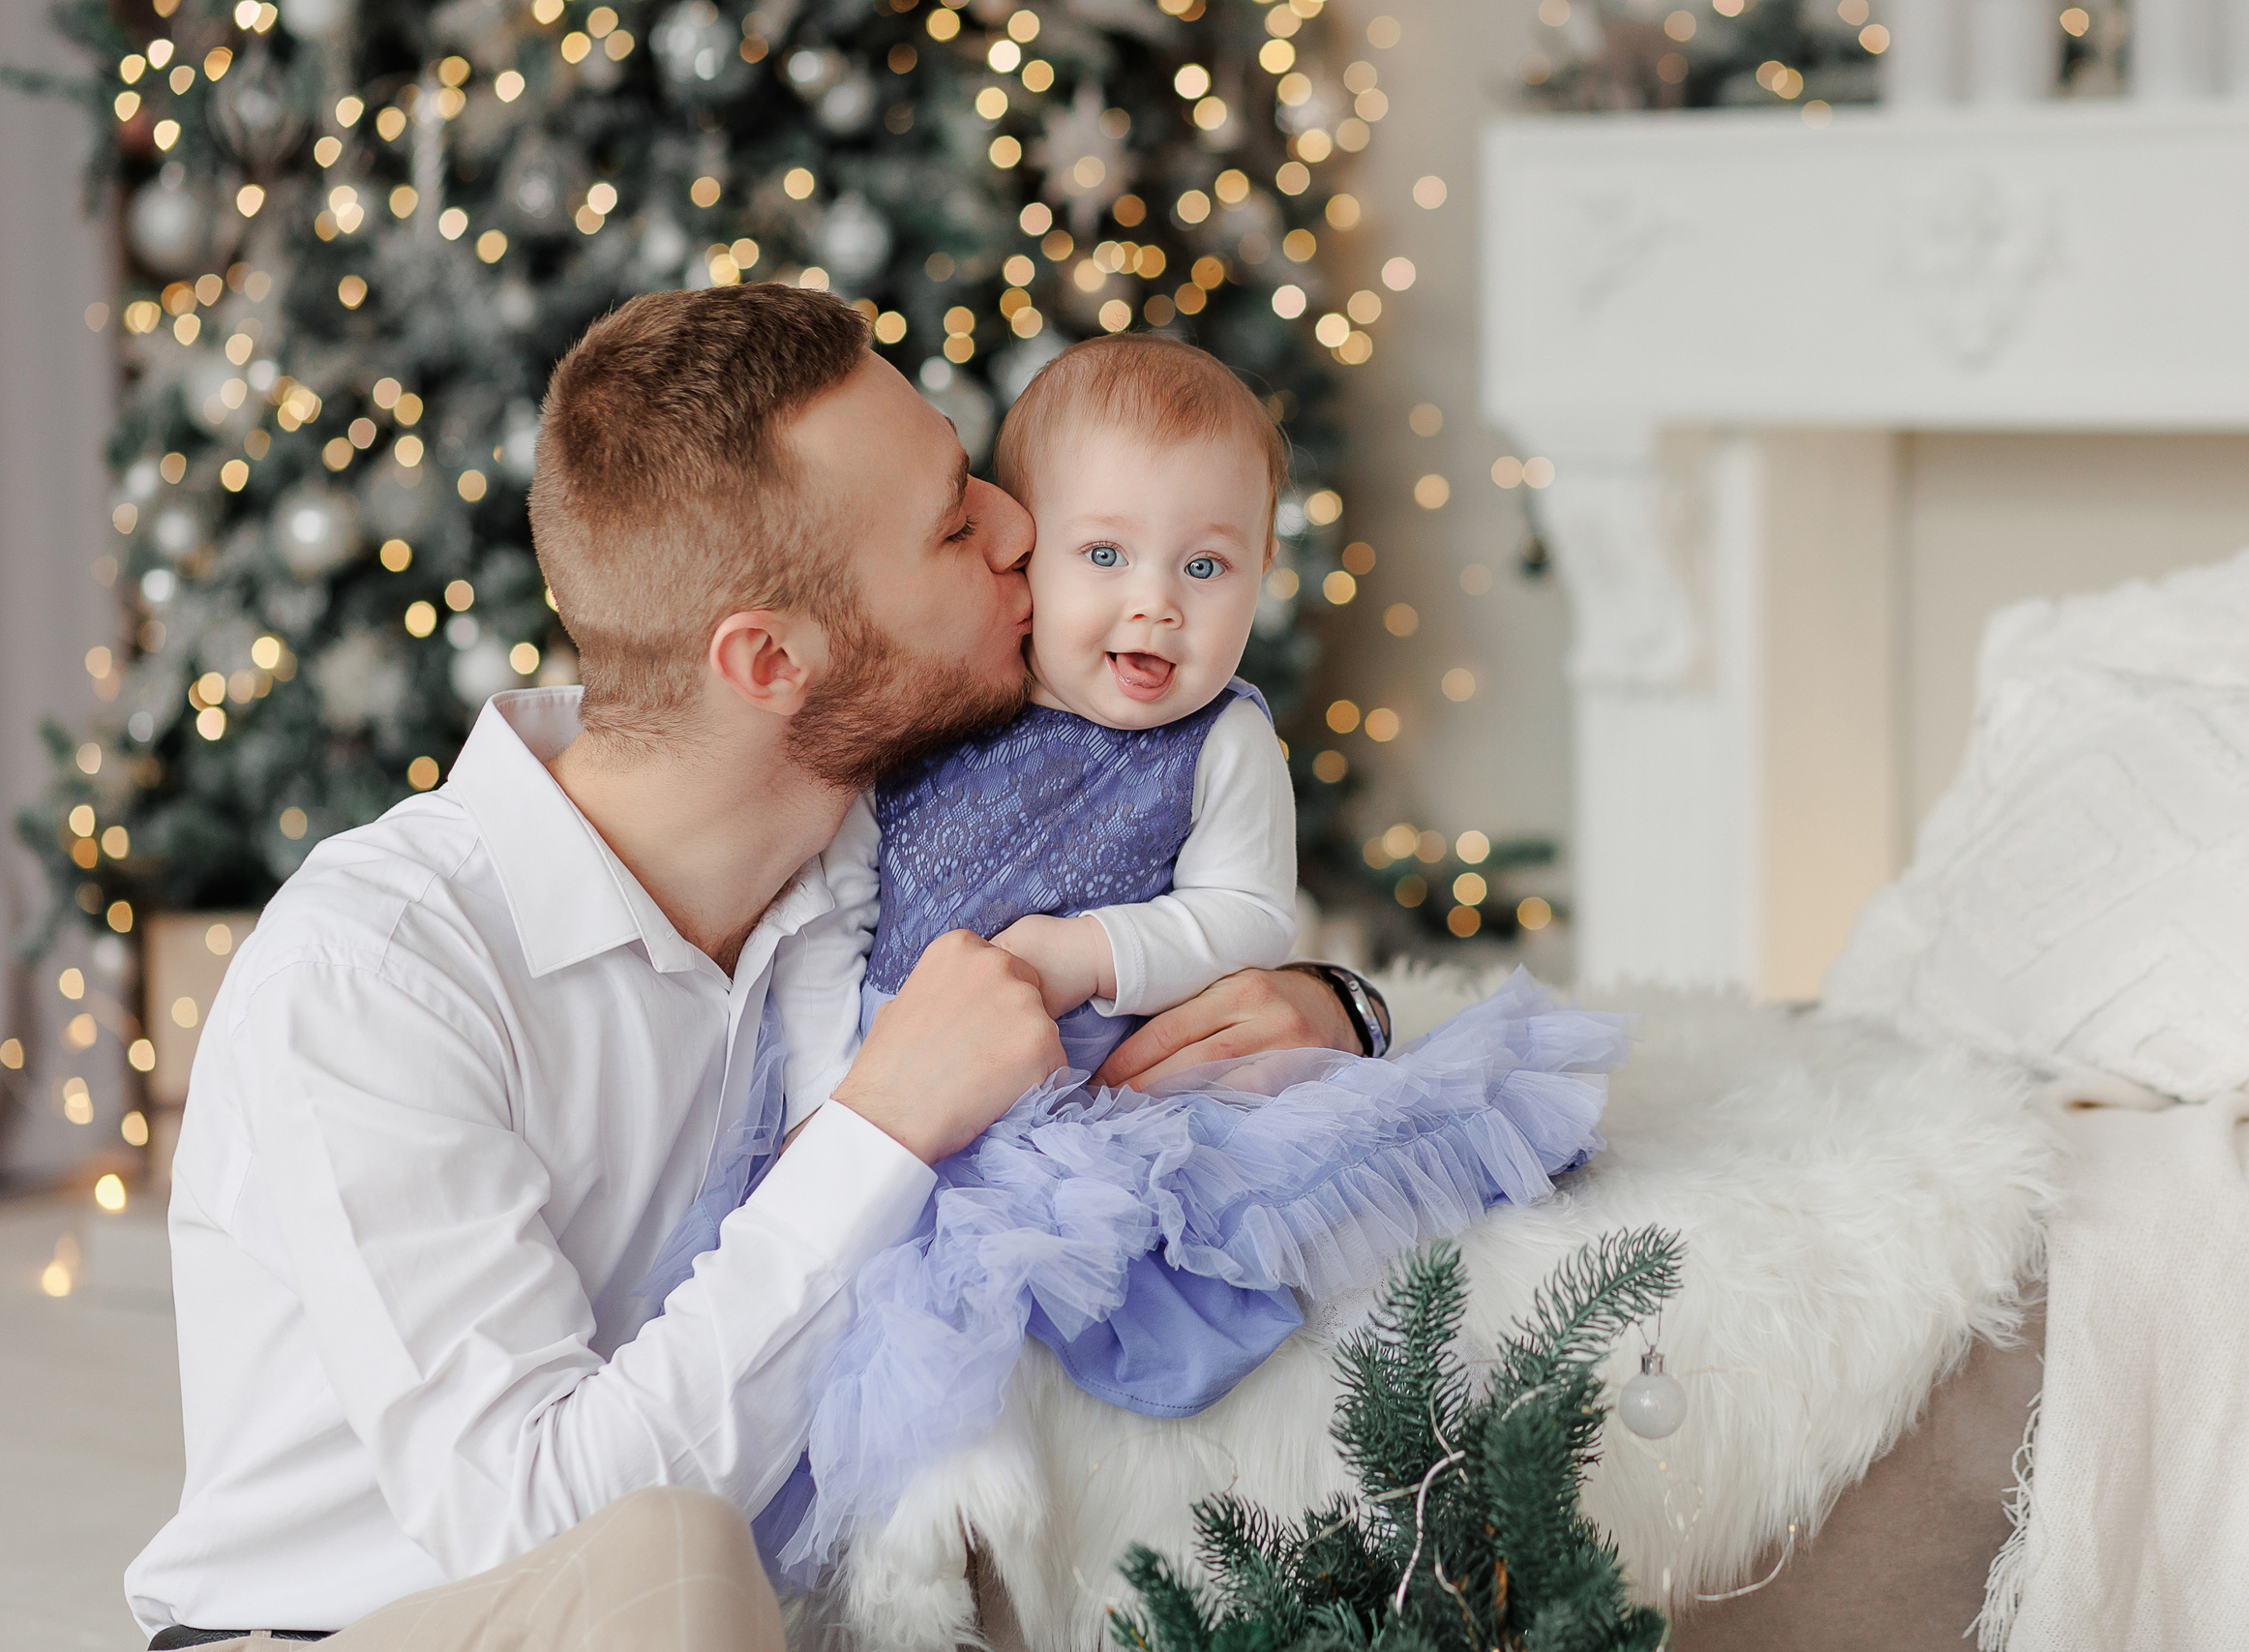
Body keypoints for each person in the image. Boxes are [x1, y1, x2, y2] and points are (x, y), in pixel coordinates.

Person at [124, 285, 1388, 1652]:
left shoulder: (873, 834)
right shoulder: (379, 971)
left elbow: (1183, 916)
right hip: (367, 1632)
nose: (1026, 525)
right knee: (671, 1556)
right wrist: (883, 1124)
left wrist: (1330, 1007)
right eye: (958, 521)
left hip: (759, 1613)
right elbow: (542, 1530)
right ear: (773, 660)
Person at [728, 336, 1631, 1583]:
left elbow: (1249, 915)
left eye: (1207, 565)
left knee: (1206, 1181)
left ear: (1262, 572)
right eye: (1106, 555)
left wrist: (1092, 950)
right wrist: (838, 1090)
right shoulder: (945, 714)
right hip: (905, 1079)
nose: (1157, 601)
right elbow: (836, 914)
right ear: (1025, 559)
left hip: (1114, 1075)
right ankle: (930, 1520)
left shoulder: (1222, 740)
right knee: (880, 1308)